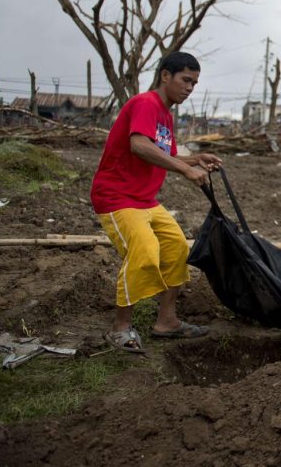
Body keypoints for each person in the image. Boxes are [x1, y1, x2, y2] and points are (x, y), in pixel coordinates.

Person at [91, 51, 223, 354]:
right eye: (185, 80)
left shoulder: (165, 114)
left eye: (195, 83)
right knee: (145, 251)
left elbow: (167, 153)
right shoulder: (145, 104)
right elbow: (139, 145)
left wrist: (195, 158)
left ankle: (166, 321)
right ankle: (120, 328)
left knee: (177, 248)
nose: (190, 88)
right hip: (117, 197)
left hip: (145, 200)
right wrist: (186, 169)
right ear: (166, 75)